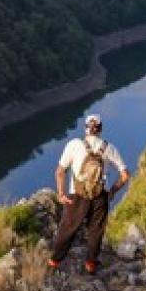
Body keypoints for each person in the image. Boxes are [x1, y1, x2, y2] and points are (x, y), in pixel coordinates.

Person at [48, 113, 130, 275]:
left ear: (86, 128)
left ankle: (54, 260)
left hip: (77, 195)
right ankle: (90, 263)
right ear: (100, 129)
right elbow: (125, 175)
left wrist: (61, 193)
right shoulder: (109, 148)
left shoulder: (74, 144)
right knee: (96, 230)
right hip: (100, 196)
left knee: (68, 228)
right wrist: (112, 192)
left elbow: (59, 171)